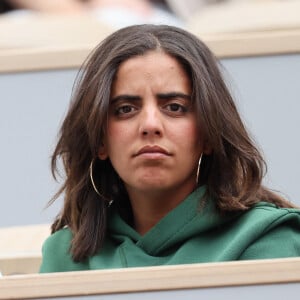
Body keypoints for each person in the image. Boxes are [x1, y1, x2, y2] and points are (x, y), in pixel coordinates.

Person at [39, 24, 300, 273]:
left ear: (209, 134)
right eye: (125, 109)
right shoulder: (65, 255)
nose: (150, 125)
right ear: (99, 142)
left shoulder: (267, 241)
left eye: (174, 107)